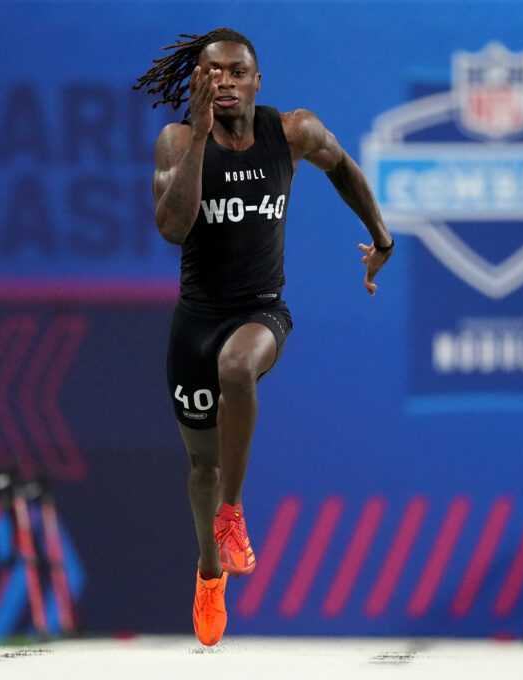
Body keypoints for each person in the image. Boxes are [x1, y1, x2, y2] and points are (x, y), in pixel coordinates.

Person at [134, 28, 394, 646]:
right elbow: (173, 228)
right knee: (202, 467)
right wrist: (199, 134)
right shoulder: (176, 140)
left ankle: (233, 516)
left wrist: (381, 238)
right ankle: (208, 574)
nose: (222, 81)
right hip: (194, 322)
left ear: (256, 81)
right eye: (211, 72)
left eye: (235, 71)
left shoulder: (292, 131)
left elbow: (344, 167)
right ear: (198, 82)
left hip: (261, 312)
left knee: (237, 368)